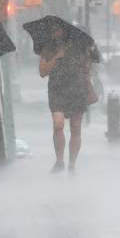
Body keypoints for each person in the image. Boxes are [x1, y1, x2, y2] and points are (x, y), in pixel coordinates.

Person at [39, 25, 94, 173]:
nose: (55, 33)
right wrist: (56, 57)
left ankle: (72, 164)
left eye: (58, 30)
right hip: (57, 90)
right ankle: (59, 160)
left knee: (76, 128)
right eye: (53, 31)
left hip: (77, 90)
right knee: (58, 125)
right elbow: (42, 72)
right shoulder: (49, 48)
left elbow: (88, 69)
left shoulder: (81, 48)